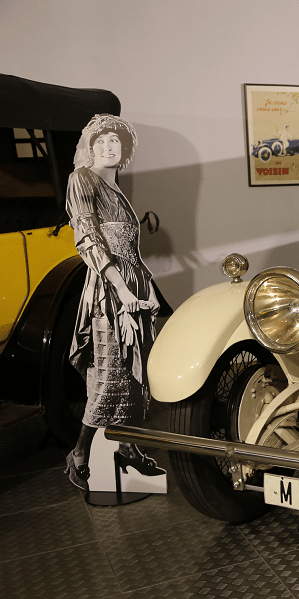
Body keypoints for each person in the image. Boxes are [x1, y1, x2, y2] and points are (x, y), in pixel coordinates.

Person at [64, 114, 163, 490]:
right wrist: (122, 294)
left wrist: (146, 292)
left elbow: (131, 251)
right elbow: (88, 238)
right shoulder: (82, 179)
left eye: (114, 142)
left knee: (137, 380)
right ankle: (79, 455)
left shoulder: (115, 185)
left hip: (133, 286)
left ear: (124, 150)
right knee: (108, 380)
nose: (108, 148)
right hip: (108, 289)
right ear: (90, 148)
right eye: (101, 142)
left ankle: (128, 448)